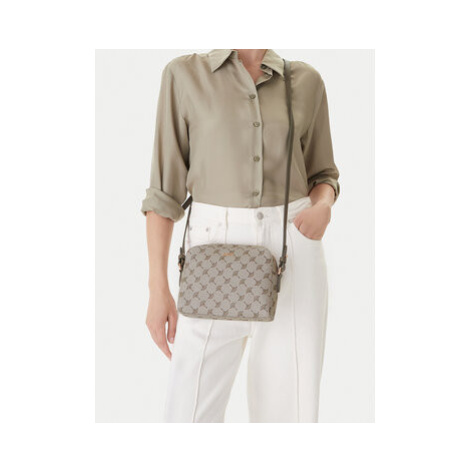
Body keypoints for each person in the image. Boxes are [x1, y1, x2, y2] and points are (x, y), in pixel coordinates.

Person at [141, 49, 340, 423]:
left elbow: (323, 174)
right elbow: (163, 194)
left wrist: (323, 206)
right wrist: (157, 288)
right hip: (212, 256)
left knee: (289, 414)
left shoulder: (306, 81)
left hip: (293, 250)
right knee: (187, 414)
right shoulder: (185, 75)